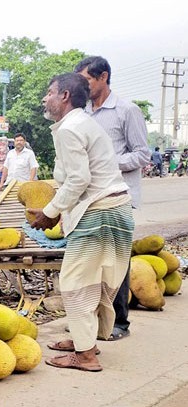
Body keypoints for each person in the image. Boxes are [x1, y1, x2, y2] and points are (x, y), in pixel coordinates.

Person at [28, 73, 134, 372]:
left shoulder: (70, 129)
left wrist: (50, 212)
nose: (44, 98)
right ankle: (83, 340)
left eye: (49, 92)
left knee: (74, 283)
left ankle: (85, 356)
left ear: (64, 96)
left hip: (99, 214)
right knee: (94, 282)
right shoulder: (84, 123)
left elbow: (79, 179)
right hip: (116, 210)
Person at [75, 56, 150, 340]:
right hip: (89, 198)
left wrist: (106, 161)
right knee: (89, 262)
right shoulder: (83, 113)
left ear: (103, 77)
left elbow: (142, 154)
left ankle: (119, 321)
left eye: (87, 81)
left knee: (115, 261)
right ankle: (91, 320)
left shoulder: (126, 111)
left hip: (118, 196)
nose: (83, 87)